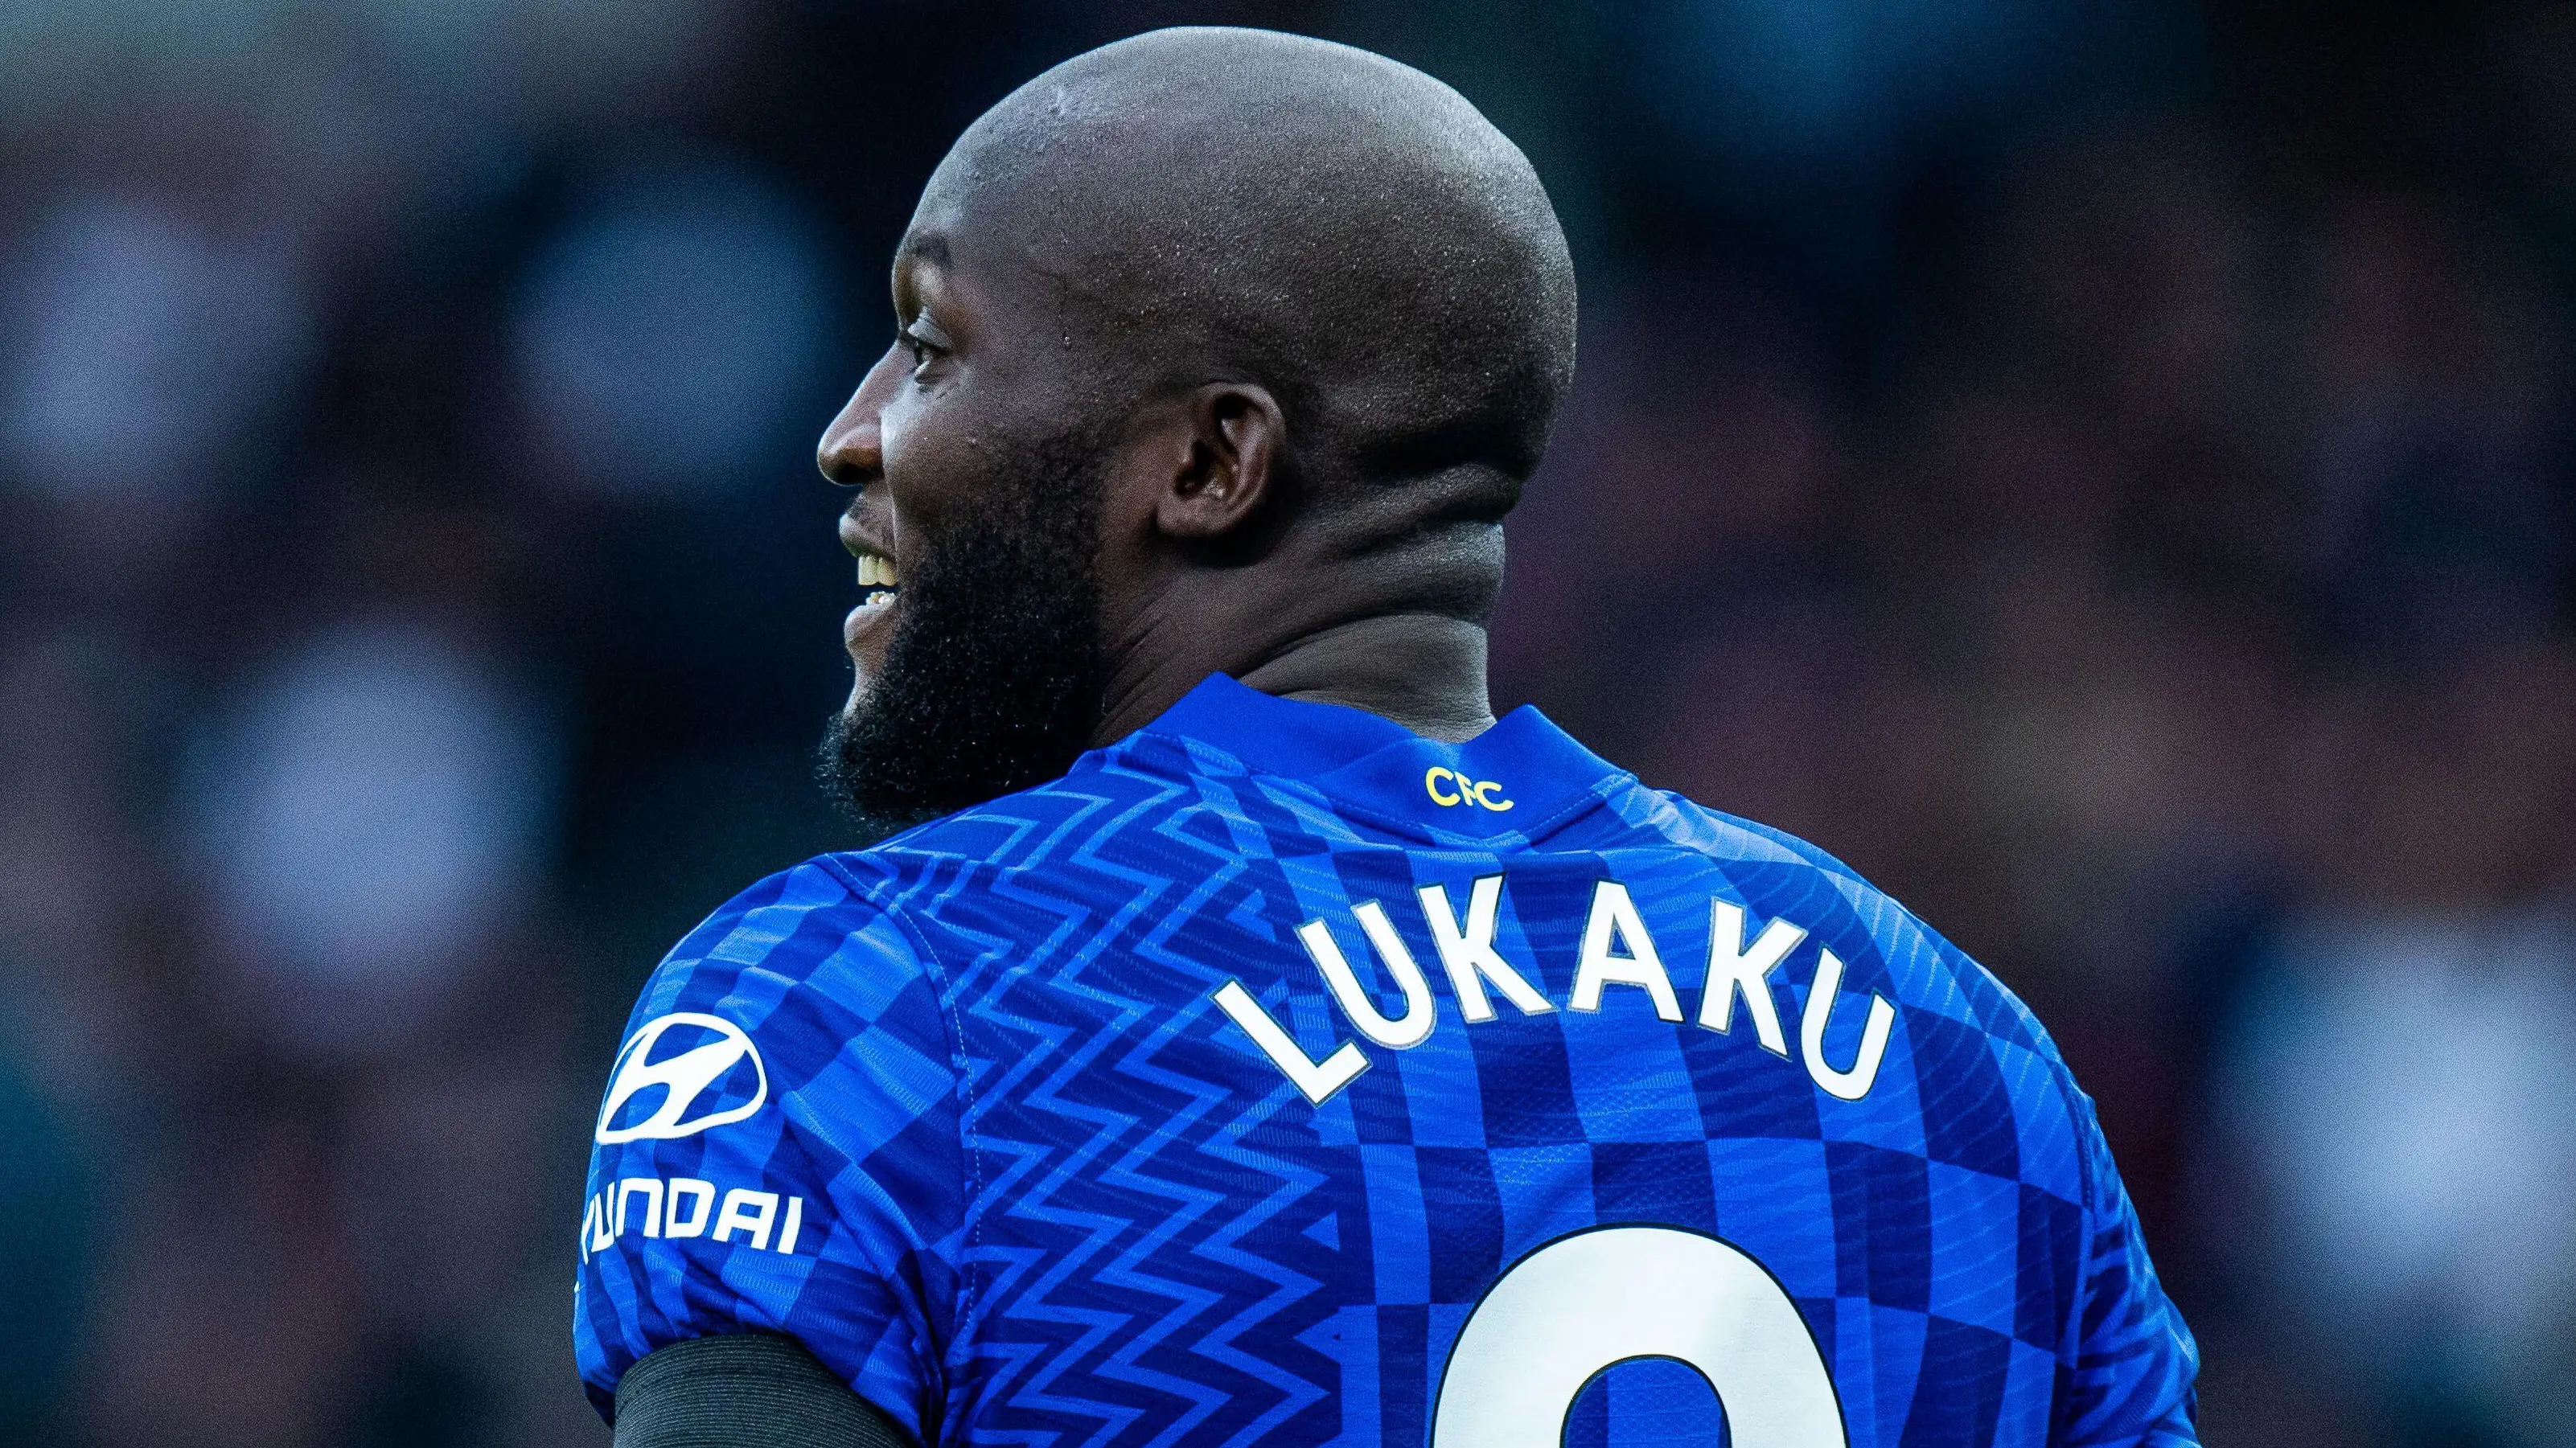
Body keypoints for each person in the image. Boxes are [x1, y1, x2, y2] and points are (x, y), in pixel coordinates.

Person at [575, 26, 2200, 1448]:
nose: (849, 430)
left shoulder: (877, 1005)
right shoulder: (1959, 1061)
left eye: (931, 345)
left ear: (1211, 464)